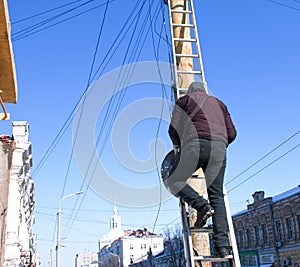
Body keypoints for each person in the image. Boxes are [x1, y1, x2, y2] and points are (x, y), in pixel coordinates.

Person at [163, 81, 237, 258]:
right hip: (219, 149)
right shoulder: (220, 103)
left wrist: (180, 148)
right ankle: (223, 247)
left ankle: (201, 205)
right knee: (217, 196)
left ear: (190, 91)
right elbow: (232, 134)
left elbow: (173, 130)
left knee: (172, 179)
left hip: (195, 145)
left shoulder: (184, 100)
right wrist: (220, 144)